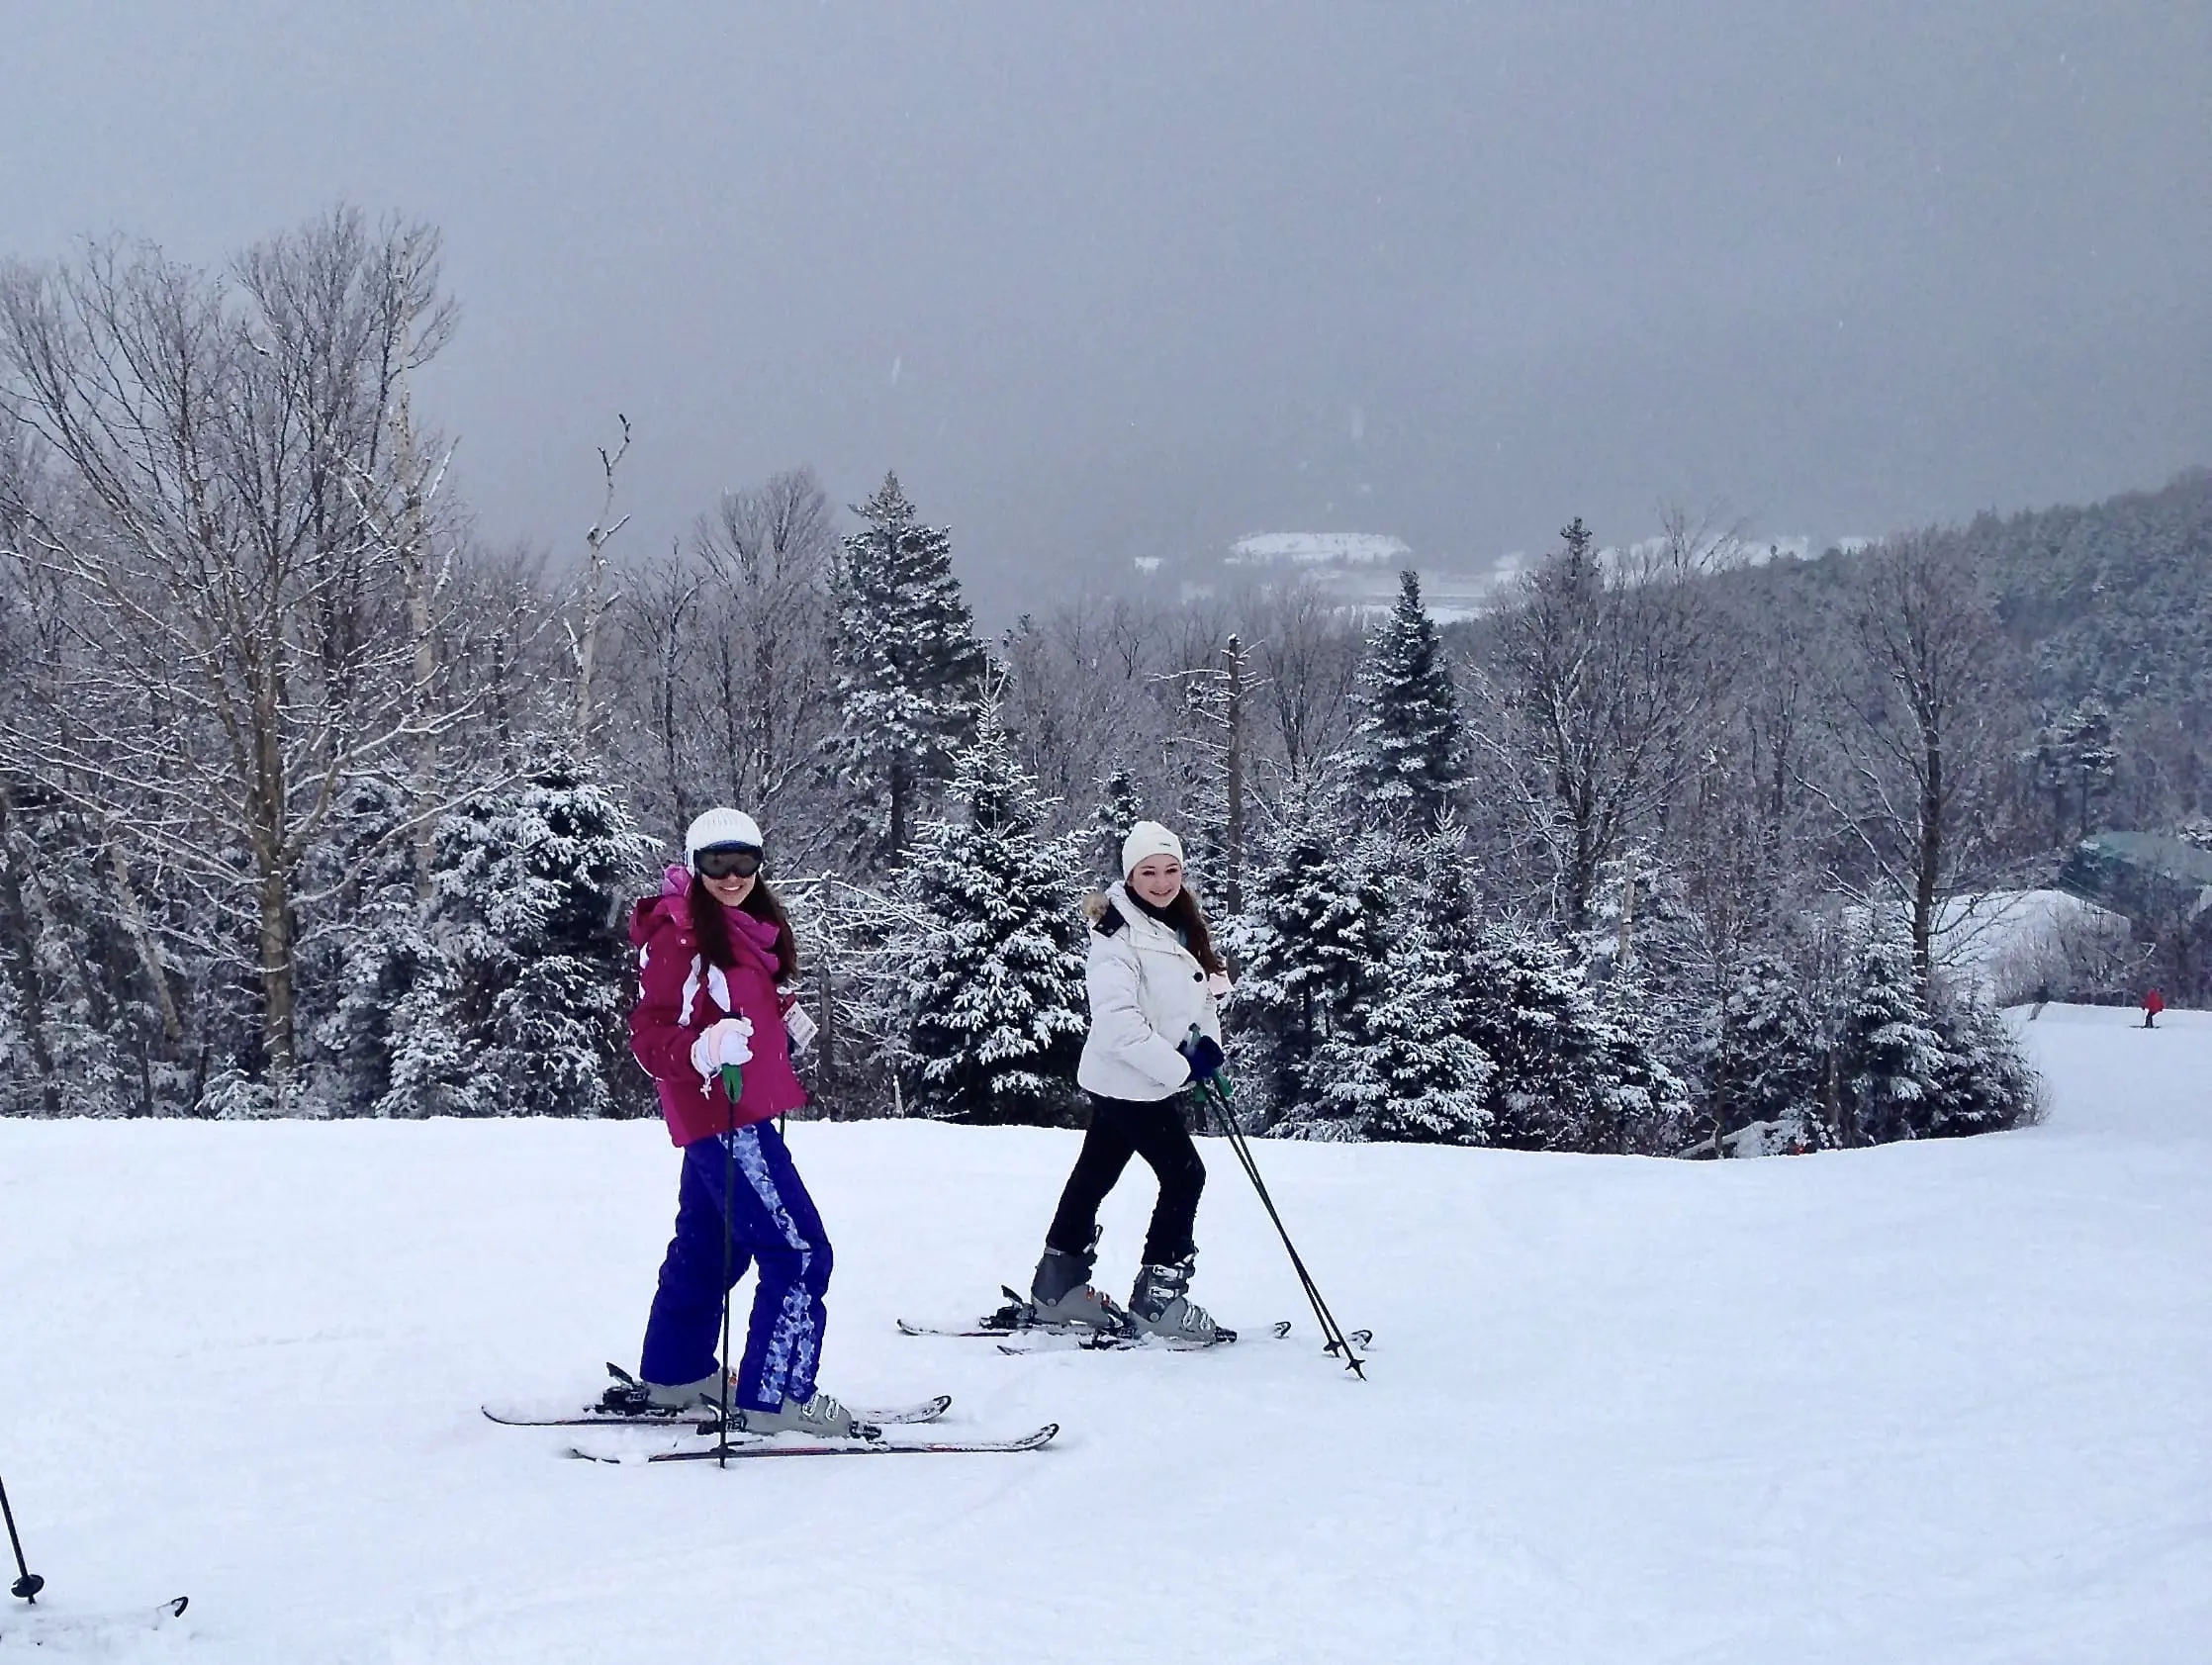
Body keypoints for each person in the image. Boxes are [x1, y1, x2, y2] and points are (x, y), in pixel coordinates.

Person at [624, 806, 858, 1436]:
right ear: (695, 867)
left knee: (711, 1248)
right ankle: (777, 1396)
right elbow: (649, 1036)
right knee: (801, 1252)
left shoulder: (749, 925)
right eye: (716, 864)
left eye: (744, 862)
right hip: (725, 1117)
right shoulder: (680, 937)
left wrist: (780, 1013)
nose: (731, 876)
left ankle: (676, 1374)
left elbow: (739, 997)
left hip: (741, 1111)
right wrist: (701, 1049)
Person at [1029, 820, 1235, 1342]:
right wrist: (1181, 1067)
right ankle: (1158, 1300)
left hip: (1142, 1077)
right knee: (1185, 1175)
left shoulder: (1179, 922)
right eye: (1149, 872)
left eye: (1172, 870)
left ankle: (1059, 1286)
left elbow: (1200, 994)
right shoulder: (1116, 934)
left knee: (1096, 1172)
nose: (1162, 882)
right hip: (1129, 1079)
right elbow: (1118, 1025)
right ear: (1130, 874)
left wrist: (1204, 1046)